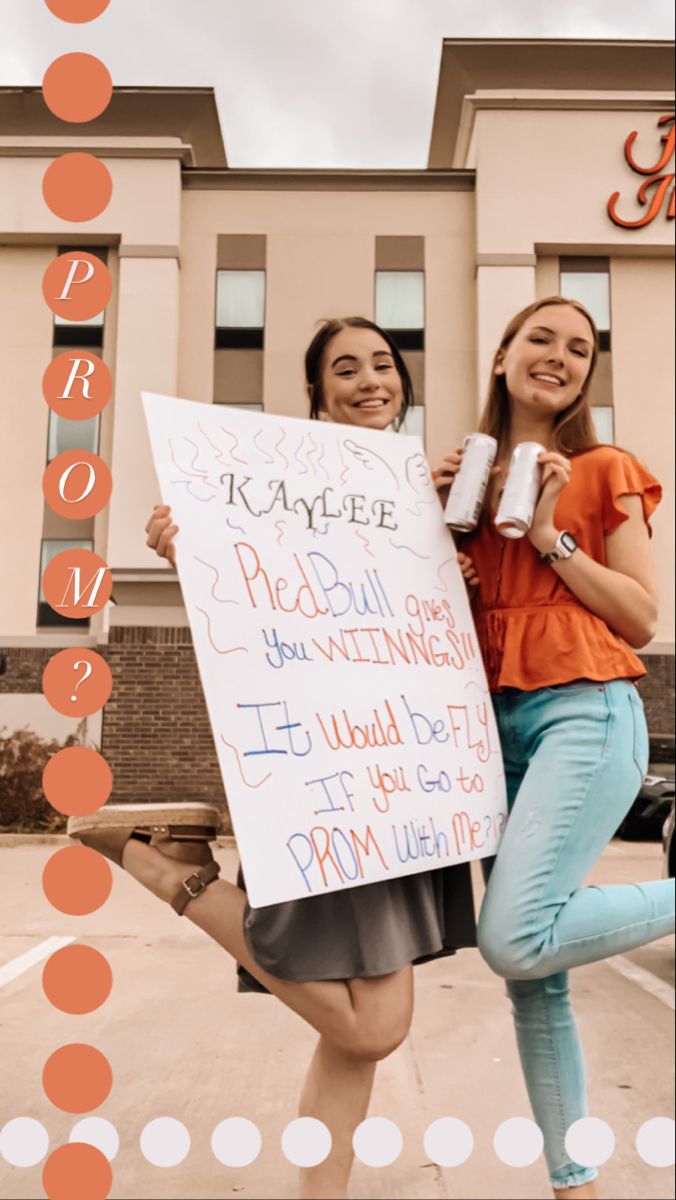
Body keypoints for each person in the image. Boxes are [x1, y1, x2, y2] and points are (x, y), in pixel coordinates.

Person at [69, 316, 478, 1200]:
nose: (371, 379)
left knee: (353, 1032)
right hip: (325, 777)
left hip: (406, 776)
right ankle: (166, 870)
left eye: (384, 363)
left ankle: (318, 1195)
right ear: (316, 392)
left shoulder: (424, 492)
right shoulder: (271, 482)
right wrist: (193, 545)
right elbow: (257, 606)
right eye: (345, 368)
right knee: (377, 1028)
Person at [434, 295, 675, 1198]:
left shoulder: (602, 467)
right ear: (502, 356)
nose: (562, 356)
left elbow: (644, 617)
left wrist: (548, 535)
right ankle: (575, 1179)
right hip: (489, 730)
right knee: (536, 977)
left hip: (586, 708)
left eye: (580, 348)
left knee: (514, 939)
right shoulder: (460, 478)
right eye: (542, 338)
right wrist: (435, 520)